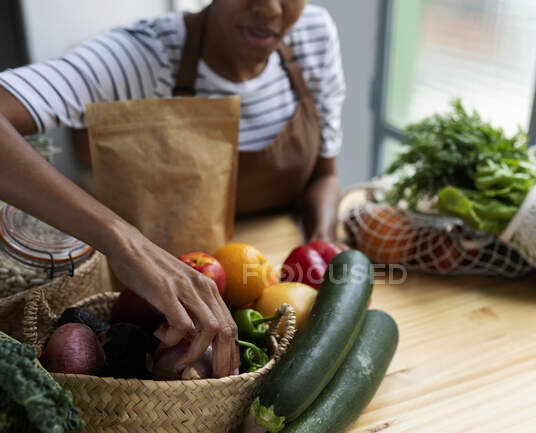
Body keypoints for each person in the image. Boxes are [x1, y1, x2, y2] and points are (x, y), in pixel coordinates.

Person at [0, 0, 345, 376]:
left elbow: (323, 174)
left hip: (273, 288)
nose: (270, 9)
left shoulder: (312, 34)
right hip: (156, 308)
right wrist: (121, 240)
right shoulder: (144, 55)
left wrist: (322, 249)